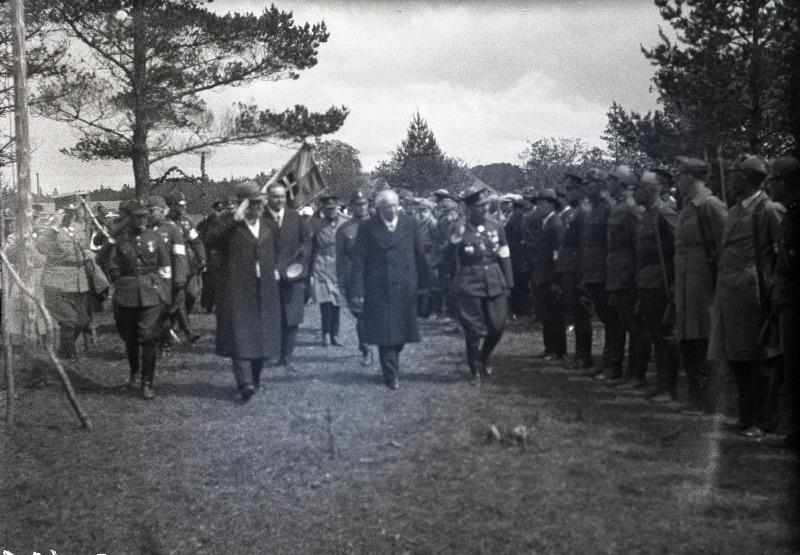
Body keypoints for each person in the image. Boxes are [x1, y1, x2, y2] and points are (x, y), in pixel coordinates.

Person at [709, 156, 784, 437]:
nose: (729, 181)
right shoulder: (736, 209)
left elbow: (784, 255)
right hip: (732, 292)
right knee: (739, 357)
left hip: (755, 292)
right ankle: (746, 417)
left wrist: (776, 292)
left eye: (734, 176)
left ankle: (764, 422)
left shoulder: (768, 208)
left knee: (761, 359)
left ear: (746, 179)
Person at [349, 188, 432, 389]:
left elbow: (420, 256)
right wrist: (357, 291)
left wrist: (426, 285)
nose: (393, 210)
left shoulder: (409, 223)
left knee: (401, 335)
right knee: (386, 334)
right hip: (379, 288)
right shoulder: (368, 228)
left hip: (405, 288)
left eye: (395, 205)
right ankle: (391, 374)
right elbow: (359, 261)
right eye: (388, 207)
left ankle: (391, 362)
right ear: (378, 208)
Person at [207, 181, 281, 402]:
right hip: (237, 290)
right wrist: (233, 218)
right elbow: (211, 240)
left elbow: (277, 251)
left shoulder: (269, 226)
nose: (258, 207)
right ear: (242, 205)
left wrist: (273, 269)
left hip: (264, 288)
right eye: (253, 203)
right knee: (240, 335)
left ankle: (255, 380)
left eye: (260, 203)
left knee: (260, 335)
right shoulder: (230, 227)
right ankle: (245, 383)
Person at [672, 157, 727, 413]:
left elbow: (726, 245)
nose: (676, 181)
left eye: (679, 176)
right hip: (686, 280)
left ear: (691, 177)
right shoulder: (687, 206)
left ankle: (708, 400)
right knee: (688, 338)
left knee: (703, 339)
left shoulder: (710, 205)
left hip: (704, 281)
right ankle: (696, 397)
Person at [105, 199, 172, 400]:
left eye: (144, 216)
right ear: (130, 219)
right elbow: (111, 264)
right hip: (127, 294)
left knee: (149, 338)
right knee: (130, 338)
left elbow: (165, 267)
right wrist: (120, 282)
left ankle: (147, 383)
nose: (142, 220)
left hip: (152, 293)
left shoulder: (156, 238)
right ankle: (134, 373)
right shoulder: (121, 239)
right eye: (137, 217)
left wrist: (165, 295)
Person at [451, 186, 514, 384]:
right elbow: (447, 257)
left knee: (497, 326)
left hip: (494, 280)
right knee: (473, 330)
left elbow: (504, 254)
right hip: (469, 282)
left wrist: (509, 282)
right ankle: (474, 370)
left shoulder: (495, 226)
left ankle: (484, 355)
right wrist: (454, 239)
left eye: (486, 205)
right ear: (470, 208)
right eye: (479, 206)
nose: (484, 209)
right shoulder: (459, 228)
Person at [634, 170, 680, 402]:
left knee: (665, 334)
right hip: (647, 279)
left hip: (662, 280)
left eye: (638, 189)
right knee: (655, 332)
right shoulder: (646, 214)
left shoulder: (664, 212)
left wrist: (673, 281)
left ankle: (669, 386)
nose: (635, 193)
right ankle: (662, 382)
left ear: (650, 190)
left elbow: (677, 247)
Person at [604, 167, 649, 390]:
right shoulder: (619, 207)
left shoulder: (630, 208)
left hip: (628, 276)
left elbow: (637, 246)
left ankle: (637, 375)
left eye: (611, 181)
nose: (607, 185)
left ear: (620, 183)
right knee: (627, 325)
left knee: (636, 328)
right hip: (618, 275)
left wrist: (636, 277)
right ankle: (631, 373)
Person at [581, 169, 626, 380]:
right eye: (586, 184)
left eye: (590, 184)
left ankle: (614, 365)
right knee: (606, 319)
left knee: (613, 319)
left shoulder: (608, 207)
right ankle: (607, 362)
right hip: (593, 270)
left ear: (600, 185)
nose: (586, 188)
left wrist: (610, 274)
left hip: (605, 271)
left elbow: (611, 243)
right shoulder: (594, 208)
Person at [768, 156, 800, 448]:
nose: (769, 185)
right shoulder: (790, 214)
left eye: (773, 179)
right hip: (788, 302)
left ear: (784, 182)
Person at [37, 201, 94, 360]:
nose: (69, 215)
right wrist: (54, 227)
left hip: (79, 281)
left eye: (71, 212)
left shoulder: (78, 227)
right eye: (65, 212)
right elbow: (42, 248)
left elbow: (84, 248)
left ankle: (64, 350)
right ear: (57, 212)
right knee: (69, 321)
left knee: (82, 321)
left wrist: (88, 258)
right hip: (57, 282)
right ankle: (67, 354)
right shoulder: (48, 229)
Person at [264, 182, 310, 372]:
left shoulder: (294, 216)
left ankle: (287, 358)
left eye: (282, 196)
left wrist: (298, 262)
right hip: (267, 276)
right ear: (268, 197)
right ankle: (268, 357)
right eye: (275, 196)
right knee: (269, 318)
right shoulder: (261, 217)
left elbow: (306, 243)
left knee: (291, 318)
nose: (279, 200)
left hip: (292, 277)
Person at [555, 173, 593, 369]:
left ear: (580, 190)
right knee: (575, 311)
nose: (567, 193)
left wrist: (581, 273)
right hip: (568, 266)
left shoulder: (584, 212)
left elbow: (583, 245)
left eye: (570, 189)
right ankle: (580, 354)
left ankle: (584, 355)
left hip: (576, 267)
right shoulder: (575, 212)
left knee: (580, 313)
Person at [146, 195, 189, 352]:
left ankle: (164, 343)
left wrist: (180, 278)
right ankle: (159, 342)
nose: (149, 215)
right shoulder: (145, 229)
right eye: (147, 212)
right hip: (149, 278)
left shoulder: (172, 229)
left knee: (164, 311)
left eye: (152, 211)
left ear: (163, 211)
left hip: (167, 279)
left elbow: (179, 255)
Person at [336, 189, 373, 366]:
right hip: (355, 278)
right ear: (351, 207)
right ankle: (366, 348)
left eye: (364, 203)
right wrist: (342, 283)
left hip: (376, 276)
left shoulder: (378, 225)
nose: (361, 207)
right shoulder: (344, 230)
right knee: (361, 315)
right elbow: (341, 259)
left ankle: (373, 346)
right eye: (357, 205)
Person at [530, 189, 566, 360]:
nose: (538, 207)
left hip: (549, 276)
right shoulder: (546, 223)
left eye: (542, 204)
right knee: (545, 313)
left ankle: (558, 350)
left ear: (552, 205)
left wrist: (556, 280)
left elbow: (558, 254)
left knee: (553, 315)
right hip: (541, 275)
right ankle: (549, 348)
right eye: (537, 204)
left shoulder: (555, 224)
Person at [166, 192, 205, 343]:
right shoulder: (165, 223)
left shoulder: (187, 222)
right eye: (181, 205)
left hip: (190, 264)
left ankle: (175, 322)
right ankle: (187, 331)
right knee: (178, 298)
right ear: (172, 206)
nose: (184, 207)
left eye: (184, 204)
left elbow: (196, 241)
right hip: (173, 265)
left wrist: (202, 257)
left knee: (193, 294)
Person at [310, 195, 347, 346]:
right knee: (325, 301)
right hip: (322, 264)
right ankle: (325, 333)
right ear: (322, 210)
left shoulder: (345, 222)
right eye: (327, 209)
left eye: (332, 208)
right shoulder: (316, 224)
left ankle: (335, 335)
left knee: (337, 302)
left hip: (338, 264)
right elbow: (310, 243)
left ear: (337, 207)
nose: (330, 212)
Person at [196, 200, 226, 313]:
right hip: (210, 255)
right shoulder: (209, 221)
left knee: (212, 282)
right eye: (217, 210)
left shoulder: (212, 220)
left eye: (220, 210)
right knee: (211, 282)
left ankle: (210, 305)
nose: (218, 213)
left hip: (213, 256)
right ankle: (209, 305)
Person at [505, 195, 532, 318]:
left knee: (522, 285)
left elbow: (526, 239)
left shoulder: (522, 220)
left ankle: (523, 310)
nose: (520, 211)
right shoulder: (512, 220)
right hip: (515, 257)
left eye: (521, 209)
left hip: (521, 257)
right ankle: (517, 310)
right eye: (518, 208)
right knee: (516, 285)